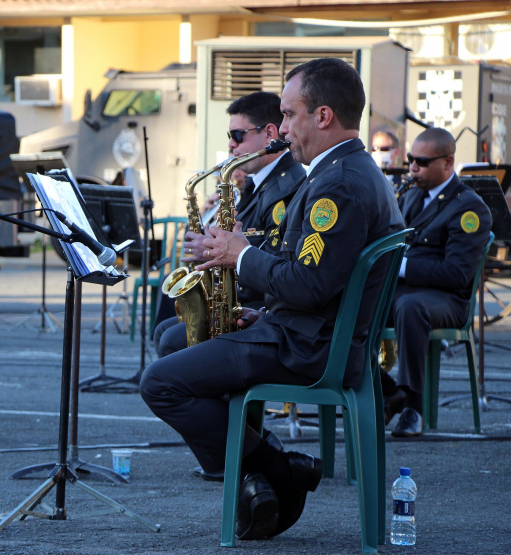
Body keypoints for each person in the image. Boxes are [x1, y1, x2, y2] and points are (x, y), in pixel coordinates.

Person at [140, 58, 405, 541]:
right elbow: (325, 282)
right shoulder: (349, 172)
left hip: (308, 349)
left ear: (321, 116)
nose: (281, 129)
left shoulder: (337, 185)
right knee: (178, 347)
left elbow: (308, 283)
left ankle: (275, 470)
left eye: (287, 115)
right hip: (309, 333)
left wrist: (240, 255)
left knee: (160, 382)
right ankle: (260, 473)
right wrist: (261, 310)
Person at [154, 91, 306, 358]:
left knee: (170, 340)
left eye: (237, 136)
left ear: (269, 133)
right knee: (164, 331)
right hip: (245, 299)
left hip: (258, 307)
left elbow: (278, 258)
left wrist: (216, 251)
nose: (232, 146)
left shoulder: (285, 186)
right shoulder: (260, 182)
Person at [381, 127, 492, 438]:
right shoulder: (411, 195)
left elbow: (458, 274)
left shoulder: (469, 207)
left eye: (421, 162)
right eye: (411, 160)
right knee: (349, 304)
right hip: (406, 296)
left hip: (446, 301)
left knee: (410, 306)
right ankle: (388, 391)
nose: (412, 167)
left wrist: (401, 267)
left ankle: (412, 408)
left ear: (448, 163)